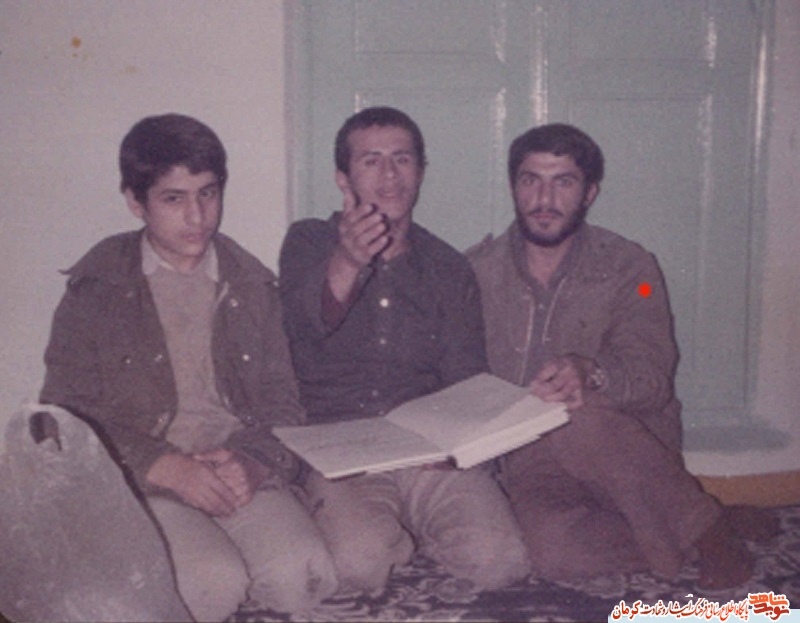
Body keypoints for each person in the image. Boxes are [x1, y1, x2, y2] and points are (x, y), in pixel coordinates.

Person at [40, 114, 337, 620]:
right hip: (144, 478)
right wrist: (163, 466)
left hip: (234, 466)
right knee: (213, 583)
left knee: (304, 575)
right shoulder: (98, 289)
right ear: (136, 202)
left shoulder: (252, 285)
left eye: (208, 194)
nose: (197, 216)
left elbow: (283, 401)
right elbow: (62, 417)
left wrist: (254, 462)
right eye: (174, 199)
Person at [467, 122, 766, 589]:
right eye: (531, 180)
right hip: (531, 457)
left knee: (574, 411)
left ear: (590, 193)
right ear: (513, 187)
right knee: (555, 555)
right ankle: (696, 520)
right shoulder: (475, 272)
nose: (544, 198)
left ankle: (710, 535)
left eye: (563, 182)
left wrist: (593, 374)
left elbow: (653, 378)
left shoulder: (631, 268)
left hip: (622, 444)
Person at [278, 106, 531, 594]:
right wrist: (348, 261)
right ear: (343, 178)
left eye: (402, 159)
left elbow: (466, 377)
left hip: (425, 448)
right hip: (341, 450)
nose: (389, 175)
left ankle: (415, 527)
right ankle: (374, 528)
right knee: (359, 565)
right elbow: (303, 327)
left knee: (501, 562)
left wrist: (461, 447)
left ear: (420, 171)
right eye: (371, 161)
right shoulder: (308, 240)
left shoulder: (447, 266)